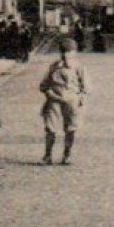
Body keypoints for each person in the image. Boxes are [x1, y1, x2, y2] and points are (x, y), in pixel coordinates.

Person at [39, 37, 88, 165]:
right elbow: (44, 84)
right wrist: (49, 92)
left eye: (69, 52)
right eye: (64, 52)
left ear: (75, 53)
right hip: (54, 98)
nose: (66, 55)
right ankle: (47, 155)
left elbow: (86, 86)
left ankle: (67, 155)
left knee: (71, 128)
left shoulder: (79, 67)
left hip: (71, 100)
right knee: (50, 128)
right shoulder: (54, 66)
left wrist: (80, 98)